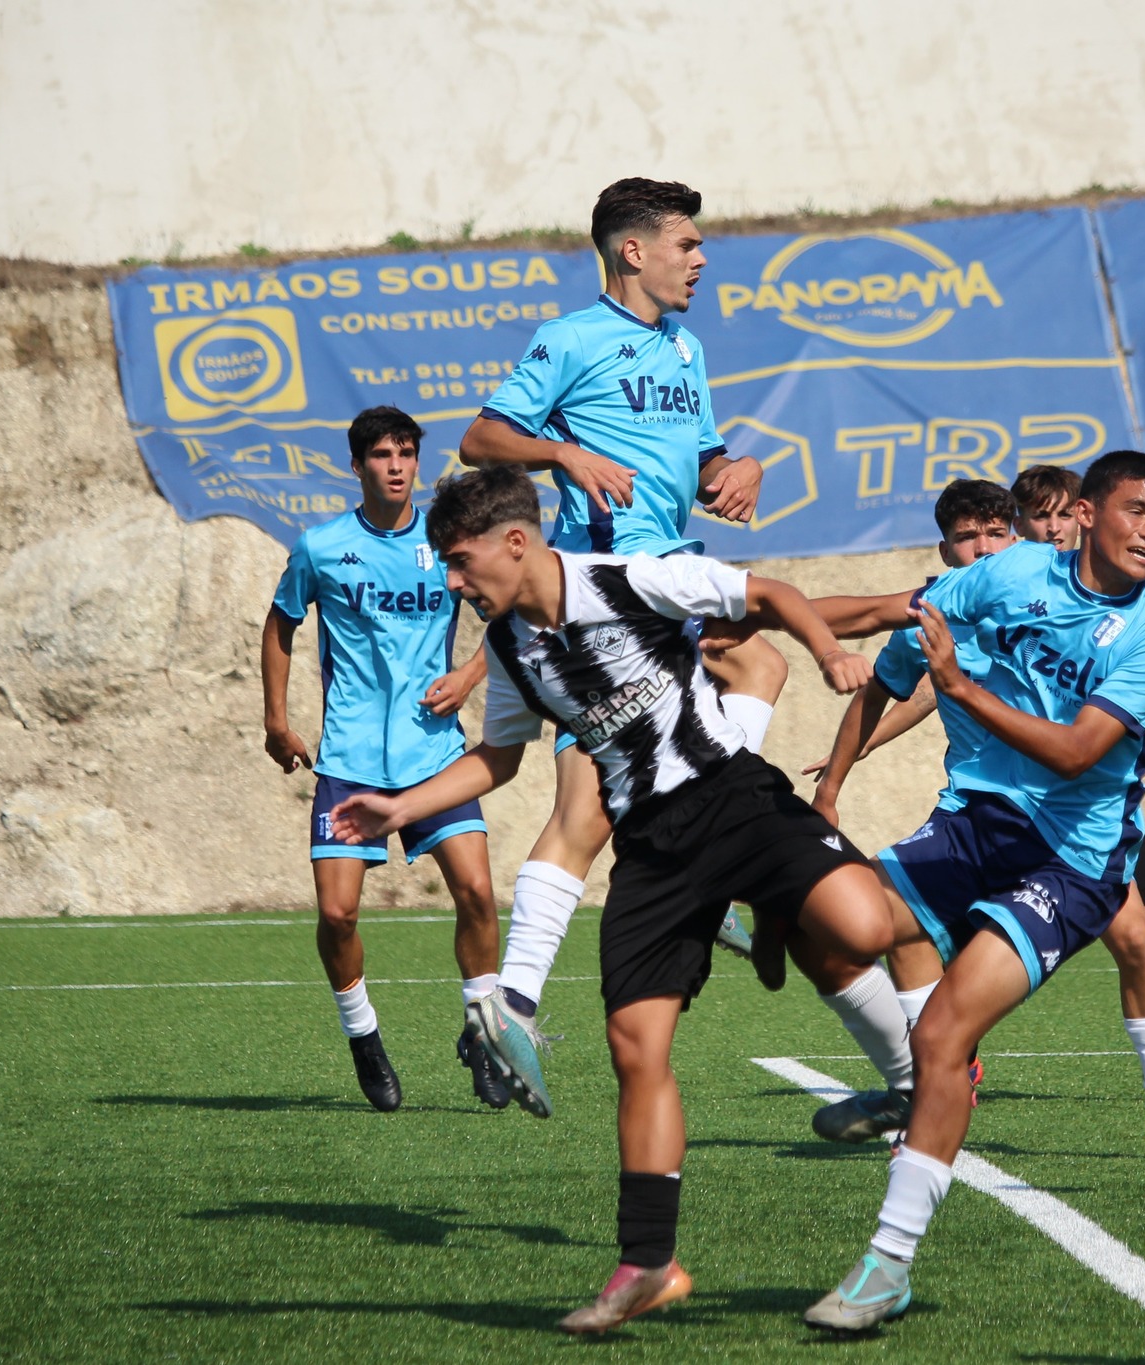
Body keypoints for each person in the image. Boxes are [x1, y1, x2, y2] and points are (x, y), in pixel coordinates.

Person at [326, 465, 914, 1333]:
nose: (452, 582)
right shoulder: (507, 647)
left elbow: (771, 591)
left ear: (514, 543)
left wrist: (829, 653)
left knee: (861, 925)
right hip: (651, 851)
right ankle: (647, 1263)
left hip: (733, 797)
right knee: (634, 1044)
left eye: (459, 560)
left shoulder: (630, 580)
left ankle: (915, 1059)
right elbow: (500, 757)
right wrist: (404, 804)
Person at [804, 451, 1145, 1333]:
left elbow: (1071, 752)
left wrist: (960, 685)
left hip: (1071, 859)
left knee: (948, 1028)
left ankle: (887, 1265)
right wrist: (830, 788)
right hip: (971, 827)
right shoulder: (1008, 573)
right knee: (828, 924)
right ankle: (915, 1086)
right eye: (1138, 510)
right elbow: (897, 663)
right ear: (1085, 514)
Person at [457, 179, 771, 1094]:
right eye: (687, 243)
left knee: (591, 806)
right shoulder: (570, 338)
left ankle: (509, 1003)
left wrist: (739, 465)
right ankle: (694, 848)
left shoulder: (687, 347)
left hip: (662, 568)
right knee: (760, 659)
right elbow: (483, 435)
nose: (701, 259)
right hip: (610, 589)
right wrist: (563, 453)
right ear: (632, 251)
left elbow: (708, 462)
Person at [259, 406, 505, 1113]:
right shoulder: (324, 546)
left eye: (405, 452)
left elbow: (513, 608)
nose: (395, 465)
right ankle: (363, 1036)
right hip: (351, 757)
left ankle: (484, 1034)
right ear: (357, 465)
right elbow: (280, 623)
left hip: (435, 755)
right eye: (381, 454)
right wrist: (277, 720)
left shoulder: (448, 542)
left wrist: (467, 675)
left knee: (480, 895)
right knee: (337, 915)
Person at [1012, 464, 1145, 1102]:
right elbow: (934, 681)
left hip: (1103, 801)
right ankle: (953, 1058)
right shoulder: (1017, 589)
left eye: (1060, 514)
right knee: (1121, 936)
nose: (1053, 527)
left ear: (1082, 516)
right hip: (1025, 800)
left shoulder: (1133, 601)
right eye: (1039, 516)